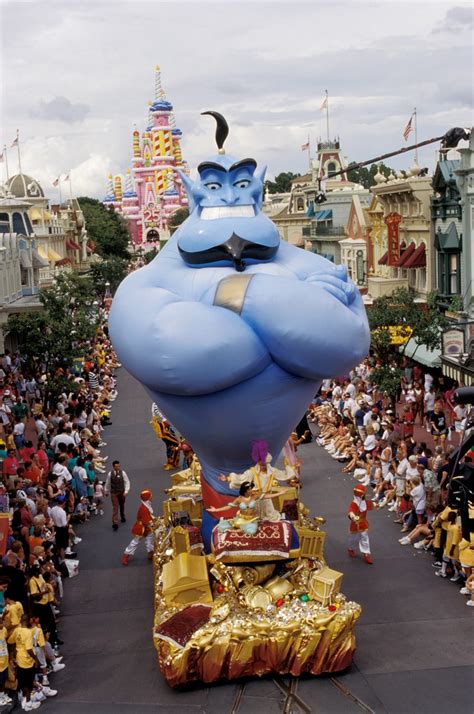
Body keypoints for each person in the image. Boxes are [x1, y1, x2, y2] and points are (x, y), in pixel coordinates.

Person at [121, 490, 154, 566]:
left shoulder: (147, 505)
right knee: (135, 542)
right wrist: (153, 523)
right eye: (150, 496)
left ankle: (150, 554)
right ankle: (126, 555)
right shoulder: (144, 508)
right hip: (141, 528)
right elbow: (147, 521)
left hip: (148, 528)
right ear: (147, 498)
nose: (152, 497)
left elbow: (149, 517)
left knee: (150, 541)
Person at [347, 484, 374, 564]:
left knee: (364, 538)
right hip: (355, 524)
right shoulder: (354, 503)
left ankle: (366, 554)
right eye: (363, 494)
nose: (364, 495)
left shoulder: (364, 502)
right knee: (353, 539)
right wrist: (353, 516)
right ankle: (350, 549)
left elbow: (372, 505)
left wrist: (380, 504)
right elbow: (351, 512)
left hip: (363, 523)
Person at [105, 460, 130, 531]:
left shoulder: (123, 473)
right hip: (114, 492)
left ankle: (122, 516)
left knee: (122, 505)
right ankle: (115, 523)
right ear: (113, 467)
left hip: (122, 492)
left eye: (118, 466)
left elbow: (127, 482)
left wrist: (126, 491)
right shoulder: (110, 474)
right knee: (115, 507)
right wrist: (106, 491)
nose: (118, 467)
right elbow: (108, 483)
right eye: (116, 466)